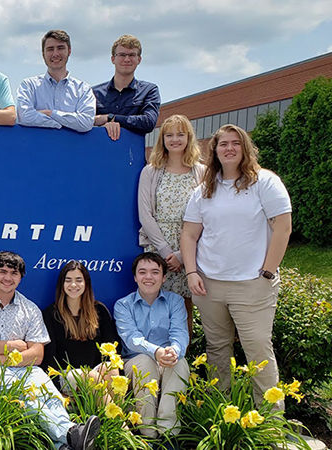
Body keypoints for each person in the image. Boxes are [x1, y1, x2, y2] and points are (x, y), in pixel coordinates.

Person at [181, 124, 292, 409]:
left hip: (252, 285)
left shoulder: (265, 182)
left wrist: (267, 271)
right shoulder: (204, 189)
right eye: (223, 144)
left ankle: (269, 422)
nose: (229, 148)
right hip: (209, 285)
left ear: (245, 148)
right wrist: (192, 272)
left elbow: (283, 228)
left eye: (235, 143)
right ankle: (222, 412)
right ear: (214, 150)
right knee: (217, 350)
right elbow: (190, 234)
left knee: (258, 352)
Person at [0, 251, 100, 450]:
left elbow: (37, 355)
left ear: (20, 277)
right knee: (26, 395)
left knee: (48, 393)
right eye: (2, 272)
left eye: (14, 273)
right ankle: (70, 433)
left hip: (20, 368)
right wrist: (12, 347)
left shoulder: (30, 308)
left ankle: (65, 443)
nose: (8, 278)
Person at [138, 114, 205, 336]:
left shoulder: (201, 172)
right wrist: (167, 253)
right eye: (169, 135)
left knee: (184, 309)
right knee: (155, 303)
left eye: (180, 134)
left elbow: (208, 215)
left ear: (189, 138)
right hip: (158, 248)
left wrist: (182, 255)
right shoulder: (151, 171)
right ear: (162, 139)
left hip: (191, 249)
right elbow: (145, 214)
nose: (174, 139)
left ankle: (181, 361)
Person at [114, 252, 189, 441]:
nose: (148, 277)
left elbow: (180, 333)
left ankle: (169, 434)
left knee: (179, 363)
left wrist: (174, 351)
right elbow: (131, 338)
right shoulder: (123, 305)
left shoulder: (176, 302)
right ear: (135, 277)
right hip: (136, 361)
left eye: (155, 272)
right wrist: (156, 351)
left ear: (164, 277)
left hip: (168, 360)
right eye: (143, 272)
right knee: (146, 362)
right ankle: (148, 434)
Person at [42, 261, 119, 387]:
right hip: (65, 376)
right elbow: (50, 357)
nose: (73, 285)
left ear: (86, 284)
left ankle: (111, 406)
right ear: (62, 284)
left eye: (79, 280)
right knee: (90, 377)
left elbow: (111, 349)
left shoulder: (99, 311)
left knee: (111, 368)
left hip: (96, 373)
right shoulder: (51, 314)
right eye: (68, 280)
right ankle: (112, 407)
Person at [16, 30, 95, 131]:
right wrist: (61, 123)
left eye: (60, 48)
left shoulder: (83, 90)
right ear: (43, 54)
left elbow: (86, 123)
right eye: (50, 49)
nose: (55, 54)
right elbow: (24, 117)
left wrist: (50, 113)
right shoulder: (29, 86)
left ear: (69, 51)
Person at [92, 34, 160, 141]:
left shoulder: (149, 91)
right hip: (99, 153)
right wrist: (103, 126)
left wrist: (111, 118)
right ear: (113, 59)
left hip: (132, 155)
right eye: (122, 55)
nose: (127, 59)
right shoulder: (94, 93)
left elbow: (149, 122)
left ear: (139, 59)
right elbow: (86, 122)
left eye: (132, 55)